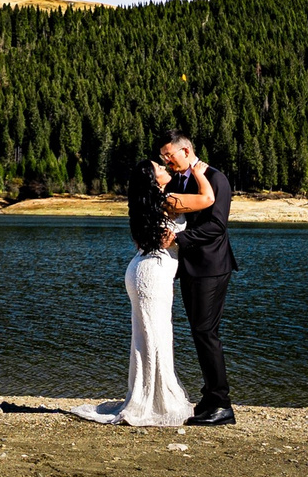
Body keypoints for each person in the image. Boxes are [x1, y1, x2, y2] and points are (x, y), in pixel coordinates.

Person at [70, 163, 194, 427]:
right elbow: (208, 199)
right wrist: (200, 173)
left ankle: (150, 397)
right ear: (153, 179)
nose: (164, 166)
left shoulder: (149, 204)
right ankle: (155, 402)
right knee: (155, 336)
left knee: (150, 336)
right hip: (152, 275)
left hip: (144, 271)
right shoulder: (166, 202)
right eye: (159, 166)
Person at [155, 133, 237, 425]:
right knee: (199, 332)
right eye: (163, 156)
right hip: (189, 267)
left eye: (169, 155)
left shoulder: (216, 179)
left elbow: (216, 226)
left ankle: (222, 405)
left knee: (206, 333)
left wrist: (179, 238)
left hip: (212, 267)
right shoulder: (178, 181)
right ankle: (209, 398)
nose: (166, 160)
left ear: (186, 150)